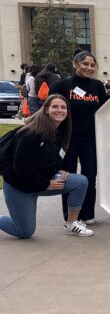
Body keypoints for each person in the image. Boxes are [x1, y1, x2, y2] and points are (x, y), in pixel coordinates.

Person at [0, 95, 94, 238]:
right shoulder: (30, 133)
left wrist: (57, 170)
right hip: (20, 187)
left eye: (63, 107)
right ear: (46, 110)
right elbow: (21, 167)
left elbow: (46, 159)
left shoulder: (59, 134)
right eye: (55, 106)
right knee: (24, 232)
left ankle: (71, 224)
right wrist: (46, 183)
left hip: (41, 182)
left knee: (80, 181)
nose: (59, 110)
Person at [51, 51, 110, 224]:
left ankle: (87, 214)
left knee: (90, 176)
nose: (89, 68)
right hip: (67, 140)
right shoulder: (63, 85)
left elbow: (104, 111)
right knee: (67, 177)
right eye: (85, 64)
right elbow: (51, 109)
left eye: (92, 65)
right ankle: (70, 216)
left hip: (90, 140)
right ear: (75, 64)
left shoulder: (98, 86)